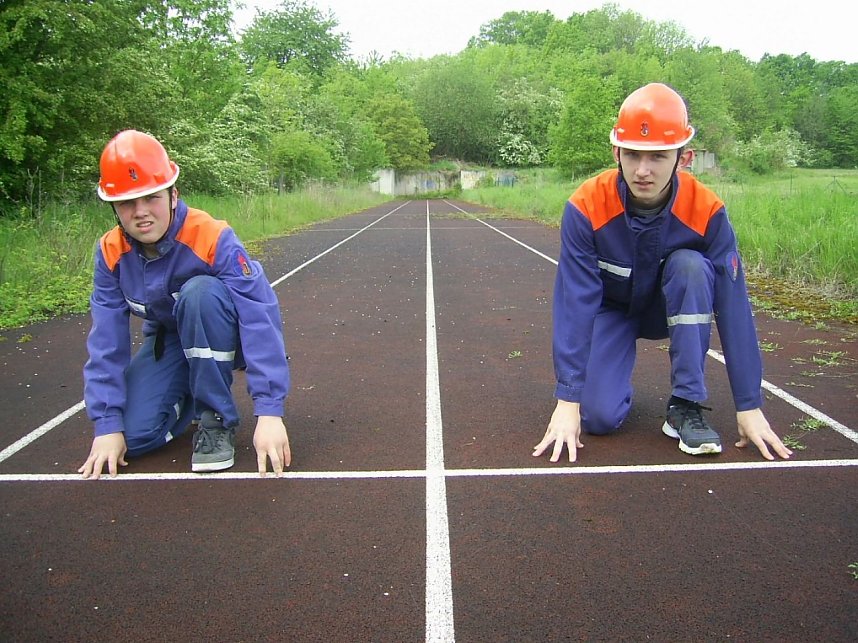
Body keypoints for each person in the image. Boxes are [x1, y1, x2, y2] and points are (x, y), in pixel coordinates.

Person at [533, 83, 792, 463]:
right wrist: (568, 398)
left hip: (670, 305)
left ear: (683, 158)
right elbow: (575, 304)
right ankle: (605, 388)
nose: (642, 170)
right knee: (599, 418)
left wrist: (749, 404)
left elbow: (734, 307)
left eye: (657, 156)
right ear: (616, 152)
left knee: (691, 267)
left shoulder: (707, 211)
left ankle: (685, 404)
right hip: (613, 309)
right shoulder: (586, 206)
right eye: (633, 154)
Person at [79, 129, 291, 479]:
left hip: (224, 331)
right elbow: (106, 341)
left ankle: (216, 418)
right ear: (114, 208)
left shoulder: (211, 236)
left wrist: (270, 412)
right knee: (133, 436)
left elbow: (258, 315)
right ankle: (191, 392)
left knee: (199, 293)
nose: (141, 212)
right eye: (128, 203)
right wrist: (105, 424)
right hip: (173, 339)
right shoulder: (110, 252)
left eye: (151, 198)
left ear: (173, 194)